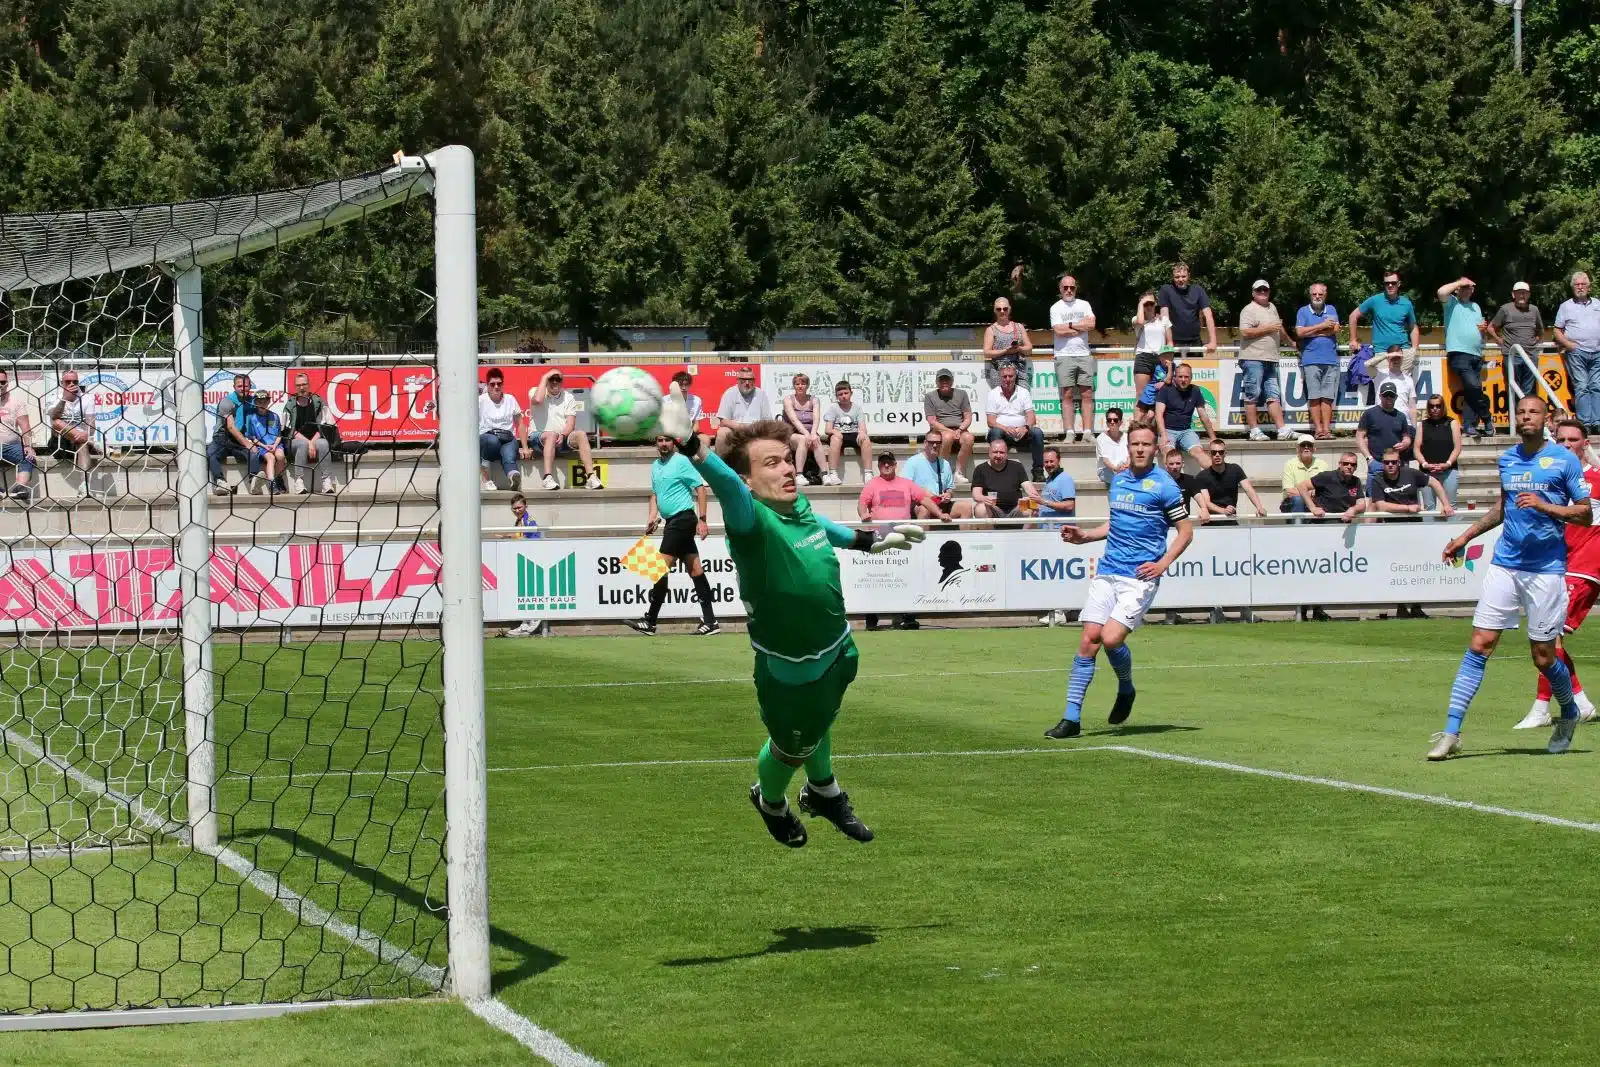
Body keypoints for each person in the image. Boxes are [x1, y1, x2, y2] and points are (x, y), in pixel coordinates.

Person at [655, 388, 926, 847]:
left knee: (821, 723)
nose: (787, 469)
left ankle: (824, 791)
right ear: (748, 481)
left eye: (786, 459)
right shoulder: (751, 521)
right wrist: (694, 446)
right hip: (790, 669)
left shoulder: (796, 506)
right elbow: (724, 485)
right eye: (771, 464)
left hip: (838, 648)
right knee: (788, 750)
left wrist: (871, 541)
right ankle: (772, 802)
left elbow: (821, 525)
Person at [1429, 395, 1594, 761]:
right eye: (1521, 412)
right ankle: (1452, 731)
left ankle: (1568, 711)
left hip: (1547, 570)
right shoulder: (1509, 458)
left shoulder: (1564, 461)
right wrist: (1464, 537)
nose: (1526, 417)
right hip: (1506, 564)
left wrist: (1545, 506)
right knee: (1480, 645)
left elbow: (1585, 515)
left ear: (1545, 418)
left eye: (1533, 412)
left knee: (1543, 657)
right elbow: (1503, 507)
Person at [1043, 423, 1194, 738]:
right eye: (1135, 443)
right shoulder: (1120, 480)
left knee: (1110, 639)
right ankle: (1071, 719)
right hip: (1108, 571)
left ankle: (1126, 687)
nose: (1139, 449)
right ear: (1129, 447)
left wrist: (1163, 563)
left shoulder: (1165, 486)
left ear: (1155, 449)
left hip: (1138, 578)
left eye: (1145, 444)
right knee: (1088, 641)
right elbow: (1114, 523)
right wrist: (1084, 537)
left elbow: (1186, 532)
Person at [1517, 418, 1600, 729]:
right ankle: (1580, 701)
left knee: (1550, 635)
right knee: (1550, 636)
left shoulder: (1595, 477)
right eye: (1561, 439)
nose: (1566, 444)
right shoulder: (1551, 480)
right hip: (1561, 564)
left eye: (1573, 440)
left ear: (1585, 444)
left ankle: (1541, 709)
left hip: (1586, 567)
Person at [626, 433, 720, 637]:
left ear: (674, 443)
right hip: (672, 521)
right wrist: (653, 516)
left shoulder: (681, 462)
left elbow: (700, 489)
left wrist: (703, 519)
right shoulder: (655, 466)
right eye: (660, 440)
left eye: (667, 440)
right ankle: (711, 622)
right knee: (696, 570)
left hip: (683, 520)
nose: (663, 444)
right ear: (656, 443)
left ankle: (650, 621)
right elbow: (655, 494)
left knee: (658, 569)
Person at [858, 451, 939, 631]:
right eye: (883, 463)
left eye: (889, 463)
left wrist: (940, 514)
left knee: (907, 578)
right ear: (878, 466)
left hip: (903, 536)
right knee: (876, 579)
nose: (886, 466)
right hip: (880, 538)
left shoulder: (906, 484)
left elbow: (924, 499)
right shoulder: (872, 484)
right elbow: (862, 503)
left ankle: (906, 616)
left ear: (895, 465)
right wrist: (863, 514)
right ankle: (872, 617)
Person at [1237, 280, 1297, 442]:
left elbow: (1279, 328)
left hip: (1271, 359)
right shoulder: (1248, 310)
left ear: (1269, 292)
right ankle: (1254, 430)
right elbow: (1245, 332)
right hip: (1253, 358)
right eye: (1259, 290)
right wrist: (1268, 329)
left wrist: (1292, 343)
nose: (1262, 292)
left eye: (1265, 289)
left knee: (1273, 395)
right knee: (1252, 394)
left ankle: (1282, 429)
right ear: (1253, 292)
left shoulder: (1272, 307)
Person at [531, 370, 601, 490]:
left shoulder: (569, 397)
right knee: (551, 435)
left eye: (557, 379)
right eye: (551, 379)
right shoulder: (535, 391)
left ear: (562, 381)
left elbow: (570, 422)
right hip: (538, 438)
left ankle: (591, 477)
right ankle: (547, 477)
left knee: (581, 434)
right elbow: (537, 400)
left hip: (561, 439)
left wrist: (563, 435)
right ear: (546, 381)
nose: (554, 382)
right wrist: (544, 377)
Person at [1438, 276, 1490, 438]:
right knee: (1474, 387)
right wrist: (1460, 282)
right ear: (1458, 289)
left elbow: (1482, 336)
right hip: (1459, 353)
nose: (1466, 289)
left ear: (1473, 290)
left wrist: (1484, 331)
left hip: (1476, 354)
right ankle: (1487, 418)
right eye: (1463, 287)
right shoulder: (1451, 303)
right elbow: (1441, 292)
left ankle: (1468, 425)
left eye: (1469, 287)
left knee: (1471, 392)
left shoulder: (1476, 307)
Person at [1050, 274, 1097, 441]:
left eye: (1072, 287)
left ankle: (1087, 432)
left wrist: (1069, 326)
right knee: (1067, 394)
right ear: (1060, 289)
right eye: (1065, 287)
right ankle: (1069, 432)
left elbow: (1091, 325)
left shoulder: (1085, 304)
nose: (1069, 290)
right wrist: (1078, 326)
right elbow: (1059, 331)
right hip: (1064, 355)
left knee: (1087, 394)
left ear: (1076, 288)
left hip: (1084, 354)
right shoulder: (1055, 308)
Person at [1295, 283, 1342, 440]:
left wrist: (1311, 331)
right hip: (1310, 360)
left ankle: (1327, 430)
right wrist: (1322, 327)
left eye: (1320, 294)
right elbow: (1300, 332)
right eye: (1314, 294)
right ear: (1310, 295)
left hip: (1330, 359)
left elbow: (1335, 330)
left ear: (1325, 295)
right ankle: (1318, 429)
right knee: (1314, 396)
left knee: (1328, 397)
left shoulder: (1332, 309)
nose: (1317, 297)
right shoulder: (1303, 311)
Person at [1555, 272, 1600, 434]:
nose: (1580, 287)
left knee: (1596, 386)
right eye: (1577, 285)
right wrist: (1568, 344)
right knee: (1582, 387)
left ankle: (1597, 422)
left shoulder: (1597, 304)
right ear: (1572, 287)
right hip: (1577, 352)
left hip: (1597, 352)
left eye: (1583, 284)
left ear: (1589, 287)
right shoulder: (1566, 306)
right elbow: (1557, 331)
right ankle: (1585, 423)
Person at [1349, 271, 1420, 372]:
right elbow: (1353, 316)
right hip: (1382, 353)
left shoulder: (1406, 303)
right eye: (1387, 283)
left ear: (1399, 284)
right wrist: (1353, 339)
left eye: (1393, 283)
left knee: (1403, 386)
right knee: (1384, 387)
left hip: (1403, 352)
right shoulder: (1374, 300)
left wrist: (1414, 350)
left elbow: (1413, 327)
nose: (1390, 285)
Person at [1488, 282, 1546, 403]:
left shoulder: (1534, 310)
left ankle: (1526, 419)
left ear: (1529, 295)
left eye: (1524, 293)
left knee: (1529, 390)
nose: (1522, 296)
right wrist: (1498, 339)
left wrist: (1535, 340)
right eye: (1519, 293)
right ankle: (1515, 420)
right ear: (1513, 295)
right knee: (1513, 388)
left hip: (1530, 356)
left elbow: (1540, 330)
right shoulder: (1505, 309)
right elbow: (1491, 327)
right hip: (1512, 356)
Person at [985, 364, 1045, 480]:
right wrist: (1006, 429)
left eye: (1010, 376)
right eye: (1004, 376)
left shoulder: (1024, 392)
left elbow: (1031, 416)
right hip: (1003, 433)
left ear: (1015, 376)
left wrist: (1025, 428)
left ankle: (1038, 471)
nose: (1007, 379)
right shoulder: (993, 393)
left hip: (1021, 433)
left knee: (1037, 432)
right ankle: (996, 469)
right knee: (995, 432)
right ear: (1000, 377)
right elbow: (991, 421)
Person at [1154, 362, 1219, 466]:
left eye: (1186, 377)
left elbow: (1203, 416)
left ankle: (1217, 478)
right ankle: (1170, 481)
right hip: (1168, 431)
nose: (1183, 380)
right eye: (1180, 376)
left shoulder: (1195, 390)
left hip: (1187, 431)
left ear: (1191, 378)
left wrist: (1213, 438)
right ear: (1175, 377)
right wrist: (1163, 435)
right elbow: (1158, 414)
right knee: (1169, 454)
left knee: (1198, 452)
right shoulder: (1165, 389)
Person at [281, 372, 335, 494]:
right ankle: (299, 481)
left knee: (324, 444)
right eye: (298, 385)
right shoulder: (290, 404)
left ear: (309, 385)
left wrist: (312, 442)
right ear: (295, 387)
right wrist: (308, 443)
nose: (302, 388)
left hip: (316, 438)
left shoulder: (318, 402)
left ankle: (326, 481)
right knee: (302, 444)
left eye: (304, 384)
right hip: (296, 441)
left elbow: (324, 425)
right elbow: (289, 429)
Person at [1356, 382, 1413, 496]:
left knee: (1397, 498)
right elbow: (1359, 437)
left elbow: (1406, 437)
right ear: (1380, 396)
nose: (1388, 398)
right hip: (1376, 463)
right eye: (1385, 395)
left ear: (1396, 397)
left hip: (1396, 465)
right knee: (1373, 501)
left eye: (1391, 395)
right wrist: (1369, 459)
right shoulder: (1370, 414)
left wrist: (1405, 443)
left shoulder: (1401, 416)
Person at [477, 368, 528, 490]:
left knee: (510, 454)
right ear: (487, 385)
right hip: (487, 437)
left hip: (507, 437)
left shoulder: (510, 399)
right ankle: (486, 477)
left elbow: (520, 424)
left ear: (502, 384)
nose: (496, 387)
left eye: (499, 384)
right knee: (492, 441)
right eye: (492, 384)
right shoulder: (480, 400)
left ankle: (513, 477)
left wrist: (525, 447)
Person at [922, 368, 973, 484]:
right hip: (940, 429)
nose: (944, 382)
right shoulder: (930, 396)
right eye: (941, 379)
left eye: (947, 379)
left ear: (952, 381)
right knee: (947, 437)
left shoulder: (962, 394)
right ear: (937, 382)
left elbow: (968, 417)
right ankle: (942, 472)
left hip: (960, 429)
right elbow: (931, 421)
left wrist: (960, 429)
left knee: (969, 438)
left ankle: (958, 473)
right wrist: (948, 431)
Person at [1193, 440, 1265, 521]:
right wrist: (1223, 511)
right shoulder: (1202, 476)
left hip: (1231, 517)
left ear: (1225, 453)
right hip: (1211, 520)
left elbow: (1248, 489)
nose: (1217, 455)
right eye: (1214, 452)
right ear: (1209, 454)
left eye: (1221, 452)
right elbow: (1206, 502)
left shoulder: (1235, 469)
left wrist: (1259, 507)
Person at [971, 437, 1041, 520]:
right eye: (995, 452)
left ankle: (1026, 533)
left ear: (1006, 454)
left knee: (1031, 506)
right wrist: (985, 499)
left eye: (1001, 452)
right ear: (989, 453)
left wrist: (1033, 497)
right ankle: (988, 533)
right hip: (993, 508)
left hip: (1016, 508)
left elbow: (1028, 486)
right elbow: (976, 495)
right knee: (980, 508)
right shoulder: (980, 469)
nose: (998, 455)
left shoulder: (1016, 466)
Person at [207, 372, 253, 495]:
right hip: (222, 438)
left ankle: (254, 481)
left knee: (253, 453)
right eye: (240, 386)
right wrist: (247, 444)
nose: (243, 388)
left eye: (246, 386)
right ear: (234, 387)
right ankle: (220, 482)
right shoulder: (227, 402)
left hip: (239, 439)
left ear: (250, 387)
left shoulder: (252, 401)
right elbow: (231, 427)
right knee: (210, 453)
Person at [1157, 262, 1218, 354]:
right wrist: (1168, 341)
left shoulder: (1198, 290)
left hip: (1195, 341)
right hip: (1173, 341)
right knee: (1173, 368)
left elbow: (1208, 316)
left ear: (1188, 276)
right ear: (1172, 277)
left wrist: (1213, 342)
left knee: (1195, 368)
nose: (1180, 279)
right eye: (1177, 277)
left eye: (1183, 276)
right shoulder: (1166, 290)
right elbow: (1165, 317)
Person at [713, 365, 775, 452]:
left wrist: (754, 428)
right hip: (735, 430)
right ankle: (720, 464)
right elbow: (723, 420)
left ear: (754, 380)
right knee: (722, 433)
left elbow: (767, 420)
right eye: (743, 379)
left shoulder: (761, 394)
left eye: (750, 380)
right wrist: (741, 427)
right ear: (738, 380)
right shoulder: (730, 393)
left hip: (755, 430)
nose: (747, 383)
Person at [1417, 395, 1462, 510]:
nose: (1435, 408)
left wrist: (1447, 463)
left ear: (1443, 407)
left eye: (1438, 406)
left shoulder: (1452, 423)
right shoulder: (1422, 425)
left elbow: (1457, 448)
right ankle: (1429, 528)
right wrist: (1424, 464)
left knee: (1450, 506)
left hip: (1449, 470)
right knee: (1429, 507)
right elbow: (1416, 449)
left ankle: (1451, 528)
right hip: (1427, 471)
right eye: (1431, 406)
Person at [823, 380, 872, 485]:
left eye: (846, 393)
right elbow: (827, 429)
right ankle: (833, 473)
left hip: (853, 434)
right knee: (835, 439)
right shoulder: (833, 408)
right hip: (839, 435)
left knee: (866, 439)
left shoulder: (857, 408)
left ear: (851, 393)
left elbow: (863, 427)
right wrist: (834, 432)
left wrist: (862, 432)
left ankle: (868, 473)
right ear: (836, 396)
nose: (843, 396)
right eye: (840, 394)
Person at [1297, 453, 1368, 523]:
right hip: (1323, 522)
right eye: (1345, 463)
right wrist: (1312, 507)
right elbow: (1302, 486)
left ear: (1356, 467)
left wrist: (1353, 509)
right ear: (1340, 464)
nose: (1349, 466)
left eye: (1353, 464)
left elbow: (1361, 504)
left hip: (1345, 523)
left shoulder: (1356, 481)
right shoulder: (1327, 476)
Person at [0, 369, 37, 500]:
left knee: (29, 457)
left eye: (2, 382)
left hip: (11, 446)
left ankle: (20, 487)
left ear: (7, 383)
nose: (0, 385)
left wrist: (28, 446)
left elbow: (25, 427)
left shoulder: (16, 402)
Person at [240, 389, 286, 496]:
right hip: (262, 446)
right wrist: (264, 445)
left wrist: (274, 445)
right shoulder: (251, 417)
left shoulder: (274, 416)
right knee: (271, 458)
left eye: (265, 401)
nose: (262, 404)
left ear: (268, 402)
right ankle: (271, 483)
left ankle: (278, 478)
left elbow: (279, 435)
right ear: (255, 403)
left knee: (280, 456)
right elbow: (252, 437)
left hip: (275, 445)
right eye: (259, 402)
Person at [782, 373, 825, 485]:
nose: (800, 386)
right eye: (797, 384)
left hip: (810, 432)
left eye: (803, 383)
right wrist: (807, 433)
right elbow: (794, 420)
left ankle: (825, 474)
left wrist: (814, 433)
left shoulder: (814, 400)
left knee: (817, 440)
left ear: (807, 385)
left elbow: (816, 418)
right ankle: (799, 475)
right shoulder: (788, 400)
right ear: (794, 386)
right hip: (792, 433)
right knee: (803, 439)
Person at [983, 296, 1033, 390]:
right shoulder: (991, 330)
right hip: (999, 371)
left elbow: (1029, 348)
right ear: (995, 311)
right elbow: (987, 352)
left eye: (1005, 309)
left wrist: (1019, 349)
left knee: (1023, 399)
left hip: (1019, 370)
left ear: (1009, 309)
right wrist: (1006, 351)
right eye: (999, 309)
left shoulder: (1019, 327)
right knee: (1001, 402)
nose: (1002, 311)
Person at [1131, 291, 1172, 406]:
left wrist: (1169, 359)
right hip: (1143, 357)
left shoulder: (1163, 320)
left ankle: (1156, 423)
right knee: (1141, 394)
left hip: (1161, 358)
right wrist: (1141, 303)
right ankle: (1138, 424)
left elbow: (1169, 341)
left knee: (1162, 394)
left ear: (1156, 304)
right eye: (1146, 304)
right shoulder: (1136, 319)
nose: (1149, 306)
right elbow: (1140, 321)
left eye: (1151, 303)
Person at [1364, 345, 1417, 419]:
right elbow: (1367, 364)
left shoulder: (1408, 380)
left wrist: (1413, 428)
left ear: (1402, 358)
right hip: (1383, 420)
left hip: (1404, 422)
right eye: (1393, 358)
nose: (1396, 361)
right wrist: (1386, 355)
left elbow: (1412, 407)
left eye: (1398, 357)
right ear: (1388, 359)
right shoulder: (1379, 374)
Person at [1281, 437, 1329, 514]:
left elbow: (1326, 490)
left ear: (1314, 449)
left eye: (1309, 445)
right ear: (1297, 449)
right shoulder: (1289, 464)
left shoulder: (1323, 464)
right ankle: (1298, 526)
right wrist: (1309, 493)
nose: (1306, 447)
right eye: (1303, 445)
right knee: (1298, 500)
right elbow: (1289, 492)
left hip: (1316, 502)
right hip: (1294, 503)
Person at [1094, 407, 1129, 487]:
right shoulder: (1101, 438)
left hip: (1123, 468)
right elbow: (1106, 461)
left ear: (1121, 422)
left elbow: (1129, 457)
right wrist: (1116, 469)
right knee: (1119, 479)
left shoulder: (1126, 437)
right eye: (1109, 420)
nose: (1112, 422)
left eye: (1115, 420)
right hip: (1107, 470)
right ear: (1106, 422)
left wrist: (1125, 466)